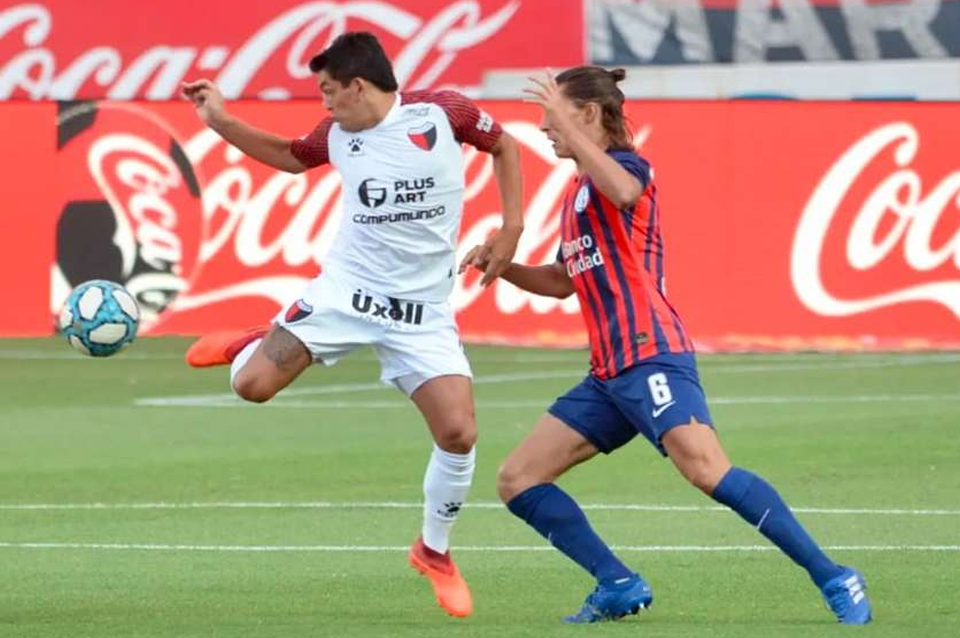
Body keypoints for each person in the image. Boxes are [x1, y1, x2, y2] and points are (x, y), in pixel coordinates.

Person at [461, 66, 872, 625]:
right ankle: (617, 583)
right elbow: (562, 281)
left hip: (652, 352)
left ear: (588, 114)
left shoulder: (627, 168)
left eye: (554, 115)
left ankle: (834, 575)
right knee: (518, 479)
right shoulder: (577, 193)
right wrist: (501, 265)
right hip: (609, 374)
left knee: (706, 469)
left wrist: (572, 131)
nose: (545, 128)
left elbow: (626, 190)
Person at [180, 31, 524, 618]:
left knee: (459, 433)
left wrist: (511, 229)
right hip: (346, 295)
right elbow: (290, 156)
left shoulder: (446, 113)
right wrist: (220, 120)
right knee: (251, 388)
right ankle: (255, 343)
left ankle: (433, 552)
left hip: (421, 311)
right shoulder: (337, 136)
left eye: (328, 90)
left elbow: (506, 146)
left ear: (358, 86)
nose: (324, 102)